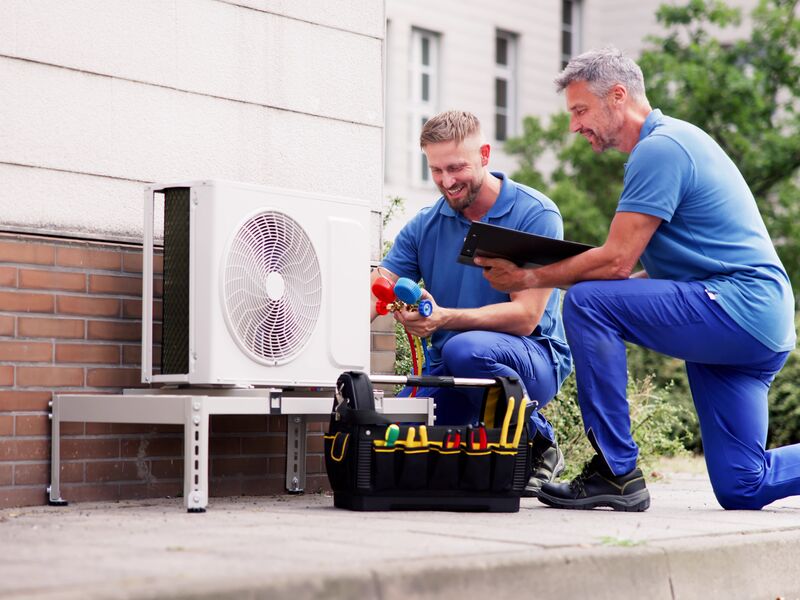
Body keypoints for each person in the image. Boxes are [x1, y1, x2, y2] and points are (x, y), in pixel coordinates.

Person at [478, 47, 798, 512]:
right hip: (752, 322)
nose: (574, 126)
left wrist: (529, 277)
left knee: (588, 302)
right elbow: (640, 275)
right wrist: (574, 279)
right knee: (742, 485)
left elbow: (615, 264)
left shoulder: (660, 148)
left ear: (619, 97)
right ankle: (619, 472)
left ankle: (615, 470)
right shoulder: (671, 144)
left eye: (580, 110)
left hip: (737, 307)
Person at [371, 110, 573, 495]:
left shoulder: (535, 214)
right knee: (387, 442)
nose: (447, 182)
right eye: (436, 170)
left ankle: (538, 440)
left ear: (484, 154)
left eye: (456, 167)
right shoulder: (425, 225)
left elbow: (526, 318)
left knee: (466, 347)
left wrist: (442, 318)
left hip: (530, 360)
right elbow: (378, 286)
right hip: (449, 368)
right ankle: (493, 446)